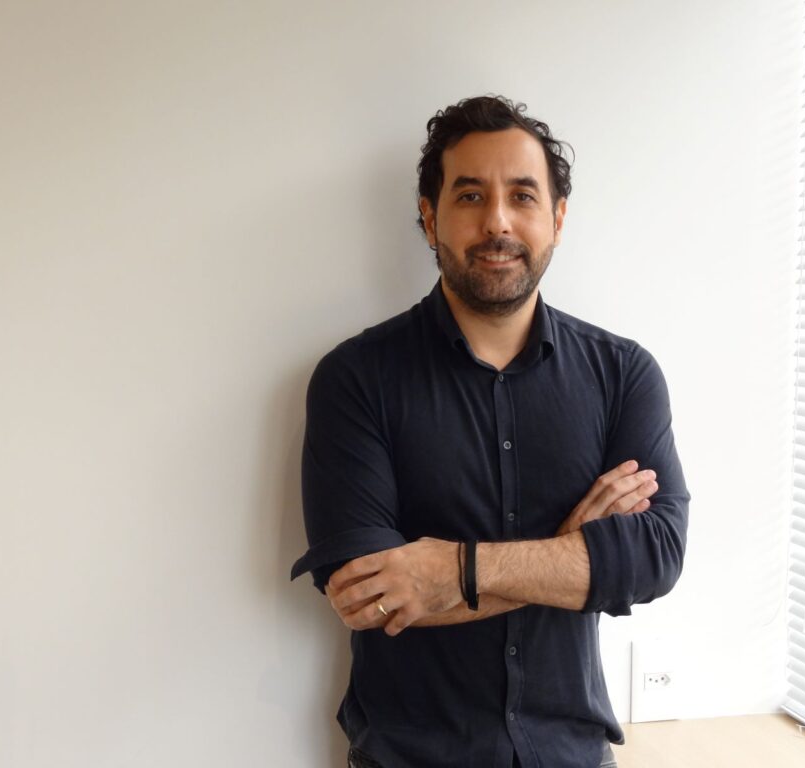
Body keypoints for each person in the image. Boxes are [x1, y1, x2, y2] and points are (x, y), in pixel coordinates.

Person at [291, 95, 690, 768]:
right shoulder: (355, 379)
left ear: (557, 218)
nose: (498, 221)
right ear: (430, 218)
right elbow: (368, 595)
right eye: (471, 195)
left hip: (574, 754)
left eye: (523, 196)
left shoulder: (624, 374)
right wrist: (570, 551)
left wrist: (455, 572)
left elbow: (655, 555)